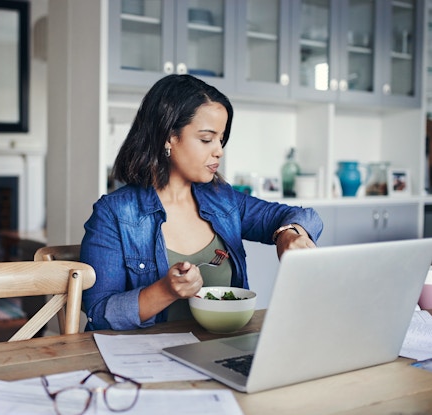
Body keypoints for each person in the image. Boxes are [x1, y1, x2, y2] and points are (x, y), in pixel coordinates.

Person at [80, 74, 323, 331]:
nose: (218, 150)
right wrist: (166, 290)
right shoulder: (114, 213)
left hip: (223, 349)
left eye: (221, 139)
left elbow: (300, 215)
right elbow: (99, 314)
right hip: (146, 361)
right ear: (168, 136)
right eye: (206, 139)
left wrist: (288, 233)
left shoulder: (223, 200)